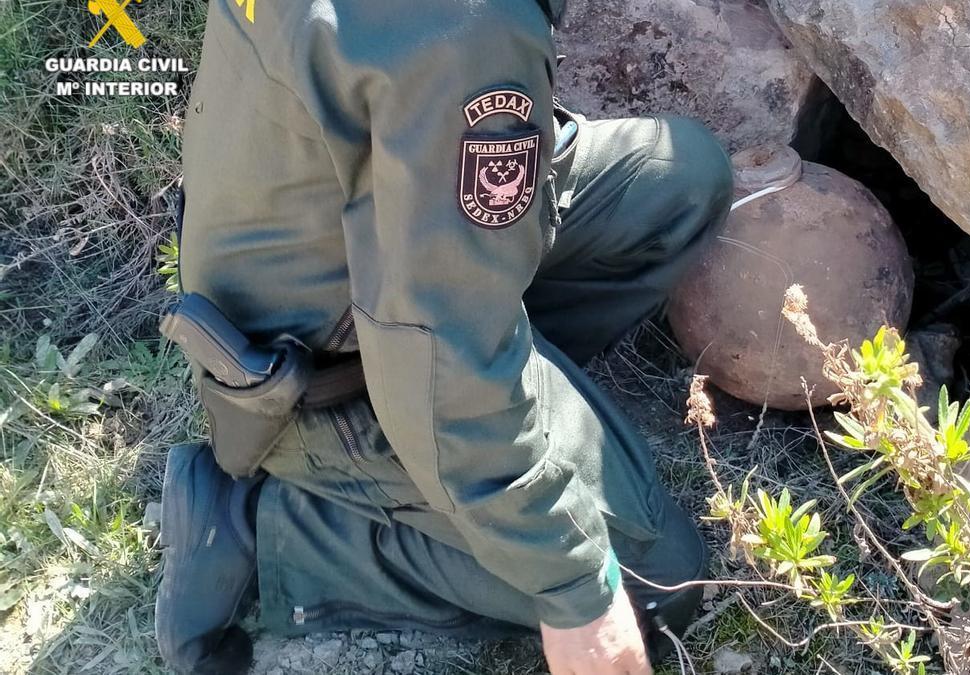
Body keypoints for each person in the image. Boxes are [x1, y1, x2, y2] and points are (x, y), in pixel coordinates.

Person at [153, 0, 734, 672]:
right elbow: (430, 345)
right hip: (327, 376)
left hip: (336, 242)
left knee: (682, 178)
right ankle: (275, 528)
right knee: (654, 581)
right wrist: (576, 587)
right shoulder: (463, 27)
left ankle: (490, 389)